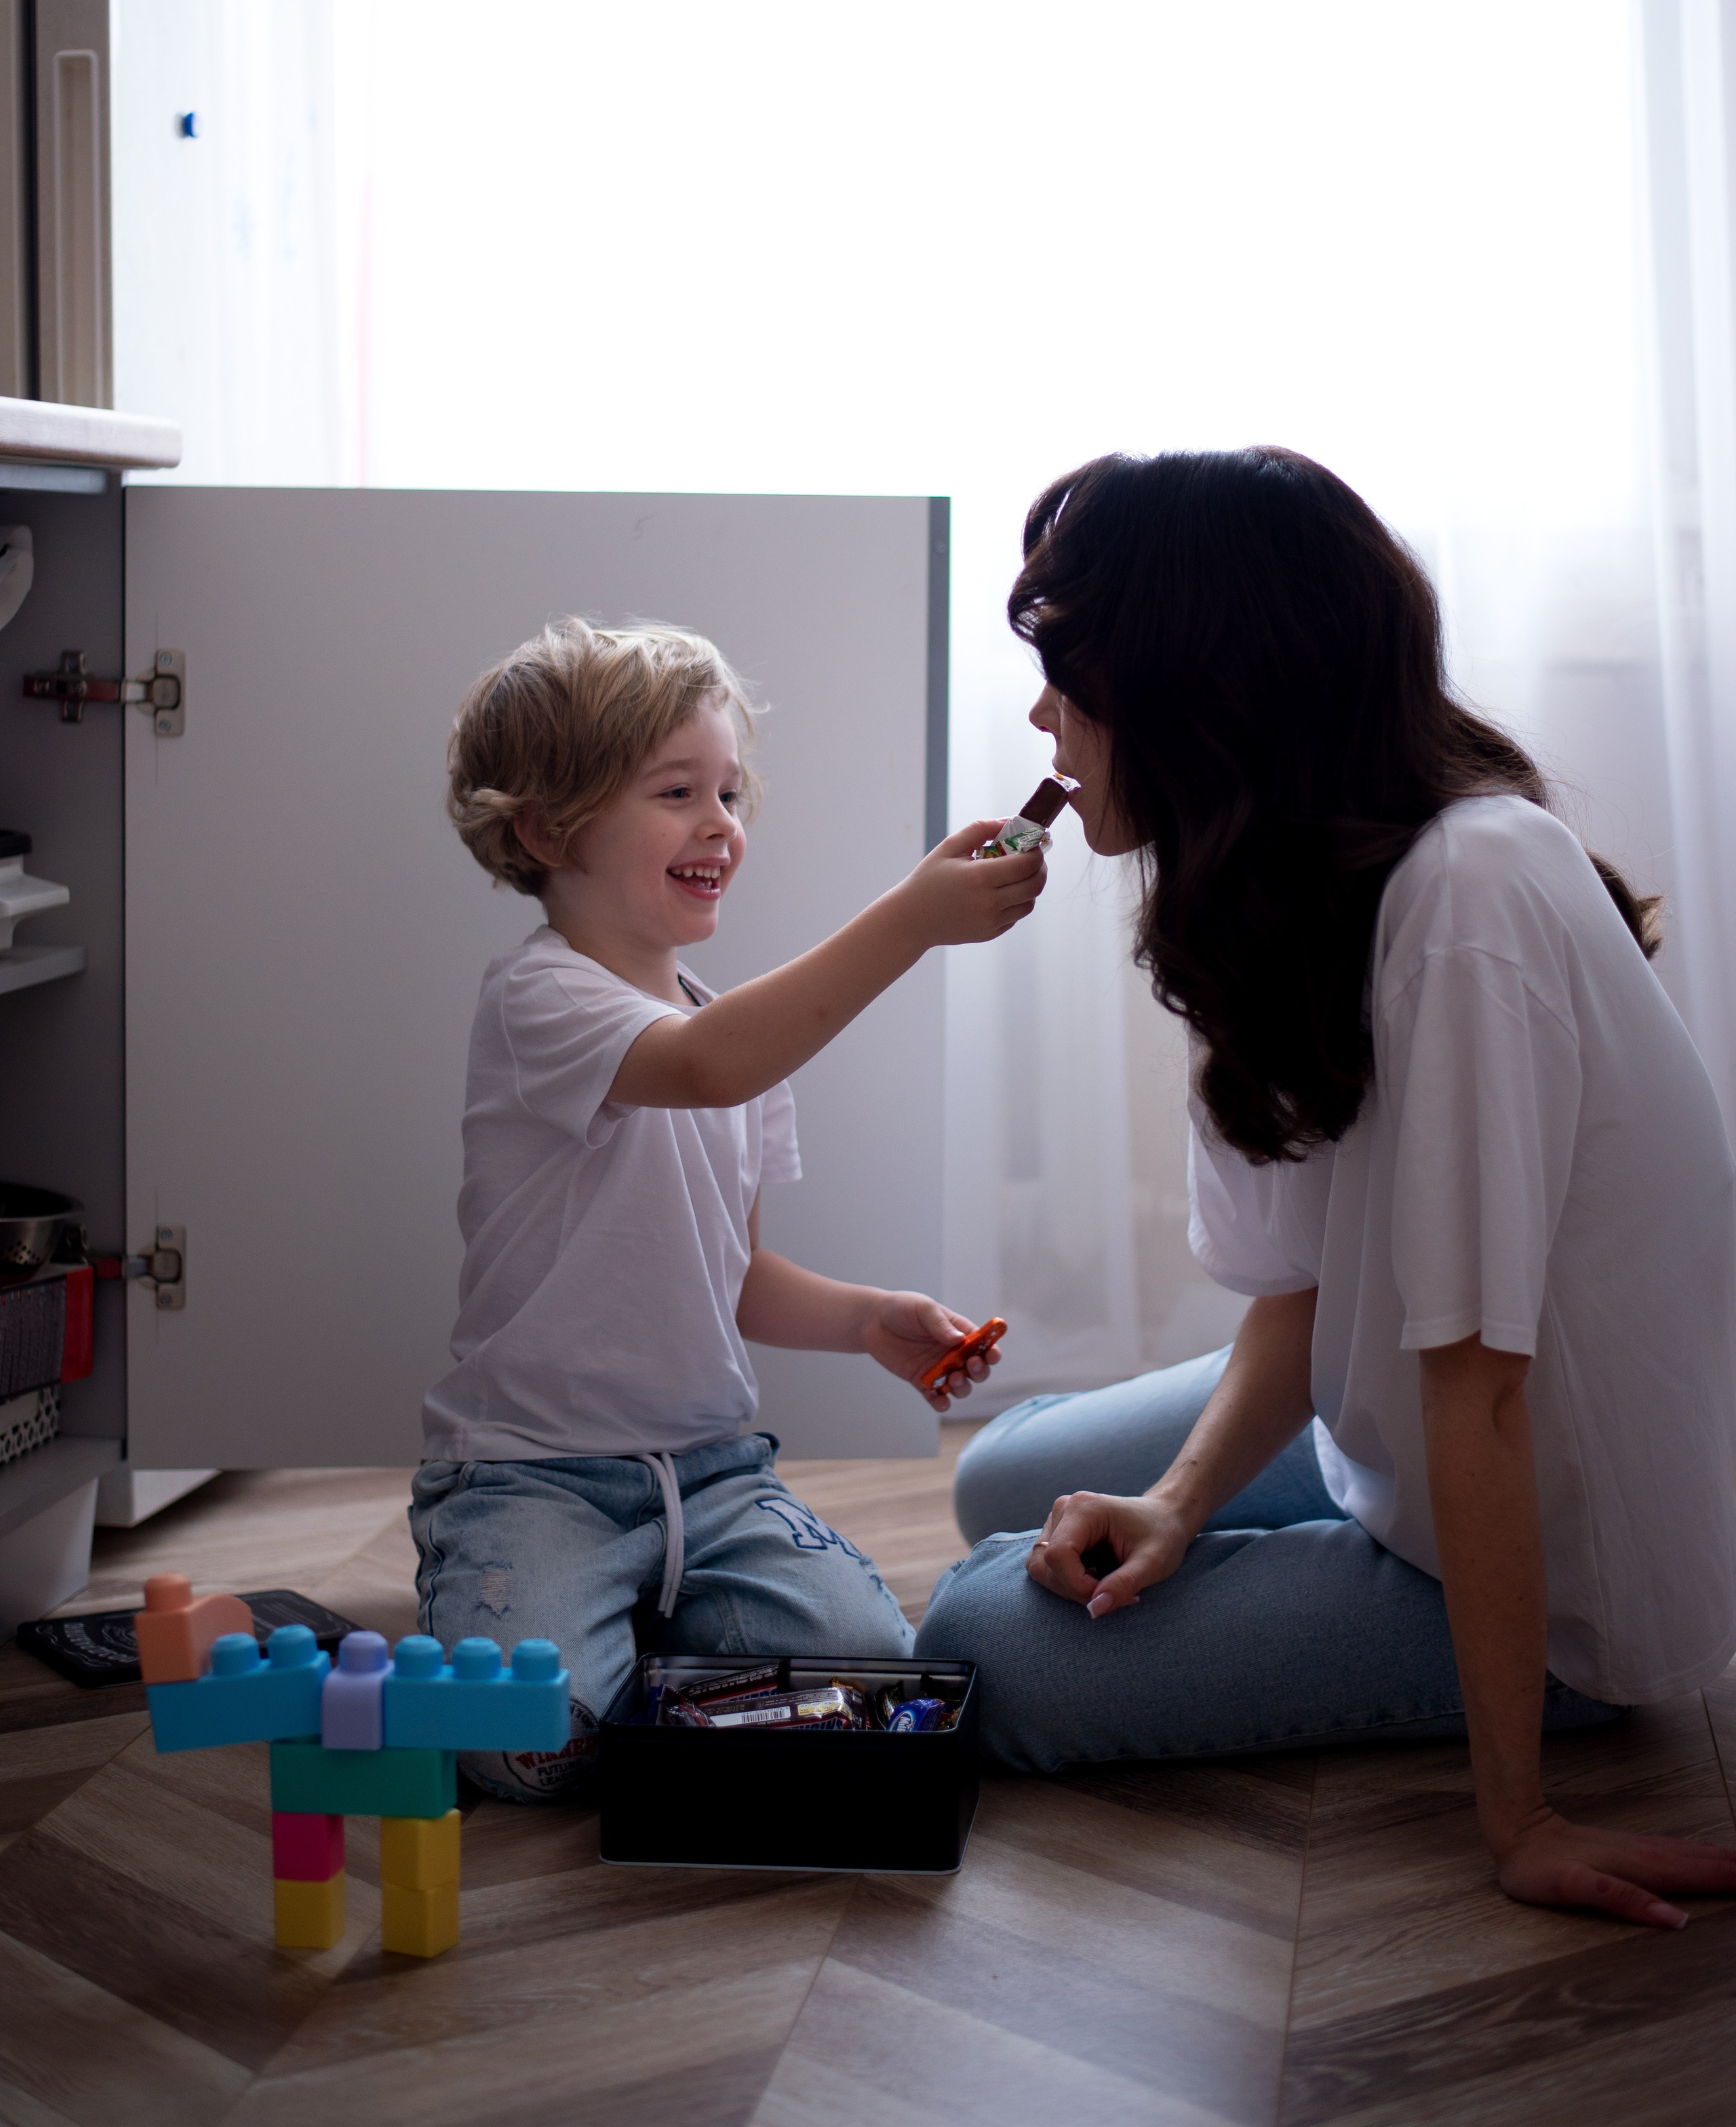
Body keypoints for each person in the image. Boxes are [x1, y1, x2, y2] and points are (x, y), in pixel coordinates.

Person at [916, 448, 1736, 1928]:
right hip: (1408, 1445)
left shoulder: (1470, 899)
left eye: (1067, 674)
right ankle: (1243, 1530)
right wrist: (1173, 1505)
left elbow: (1477, 1389)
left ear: (1196, 689)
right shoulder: (1281, 894)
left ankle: (1528, 1707)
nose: (1041, 717)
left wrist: (1520, 1820)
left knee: (980, 1630)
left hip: (1558, 1562)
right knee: (1000, 1476)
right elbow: (1302, 1293)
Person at [414, 617, 1040, 1797]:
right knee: (525, 1749)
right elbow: (707, 1064)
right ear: (547, 830)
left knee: (879, 1674)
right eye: (676, 792)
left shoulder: (732, 1033)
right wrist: (911, 916)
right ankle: (570, 1634)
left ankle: (634, 1650)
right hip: (534, 1475)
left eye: (732, 793)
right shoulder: (542, 997)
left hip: (714, 1476)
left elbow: (737, 1272)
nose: (721, 825)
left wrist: (865, 1320)